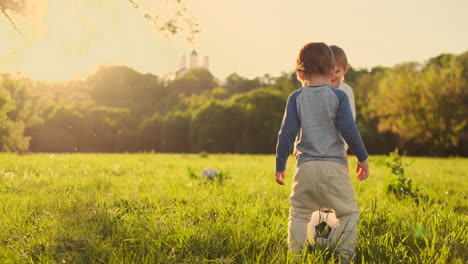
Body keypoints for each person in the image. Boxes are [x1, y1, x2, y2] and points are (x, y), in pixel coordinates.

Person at [274, 42, 369, 263]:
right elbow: (349, 130)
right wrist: (362, 157)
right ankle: (345, 257)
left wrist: (280, 165)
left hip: (304, 168)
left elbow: (286, 134)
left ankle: (295, 257)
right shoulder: (339, 97)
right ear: (332, 70)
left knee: (299, 214)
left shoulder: (295, 98)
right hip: (334, 167)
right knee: (348, 214)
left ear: (299, 73)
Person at [330, 45, 356, 159]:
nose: (332, 75)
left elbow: (349, 121)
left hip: (339, 144)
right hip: (318, 145)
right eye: (329, 70)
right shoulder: (317, 88)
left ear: (345, 69)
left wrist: (344, 148)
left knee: (339, 174)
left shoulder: (346, 91)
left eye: (337, 71)